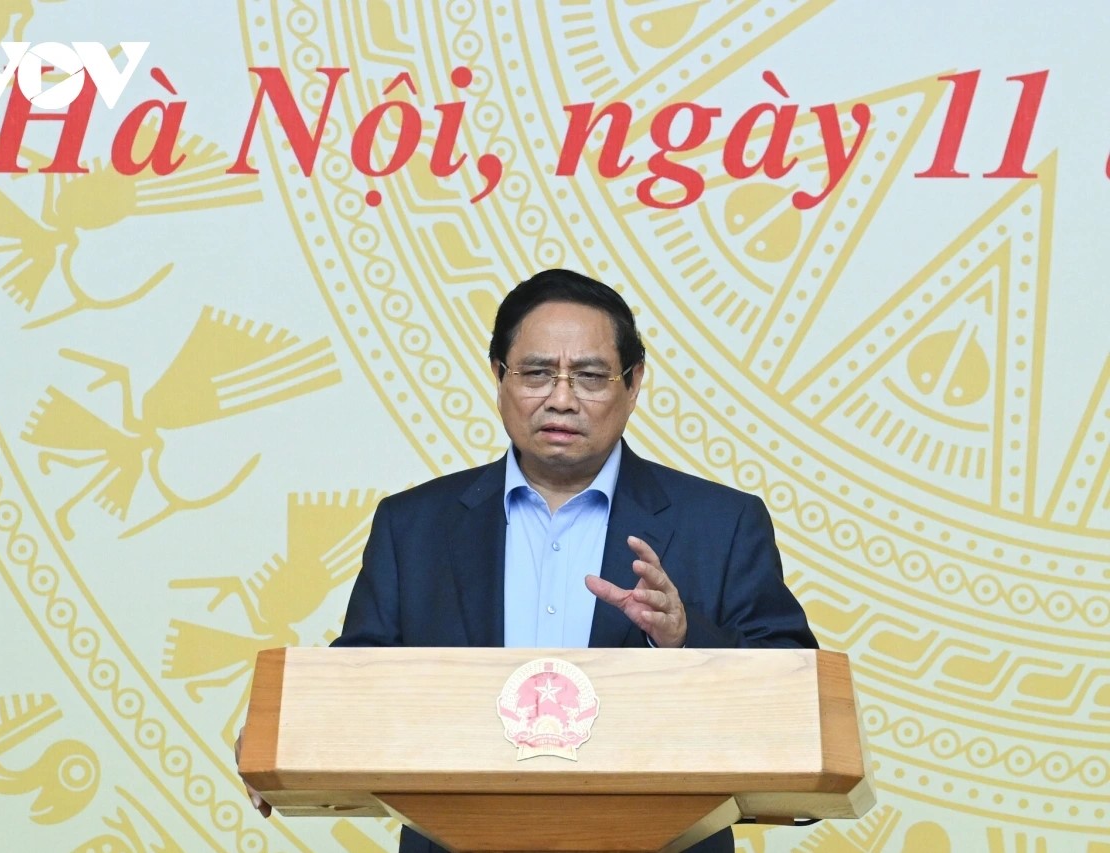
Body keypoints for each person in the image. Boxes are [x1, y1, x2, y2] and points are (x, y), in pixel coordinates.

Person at [240, 268, 817, 852]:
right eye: (537, 373)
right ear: (498, 377)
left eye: (590, 376)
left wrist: (686, 639)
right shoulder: (412, 526)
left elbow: (797, 705)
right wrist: (282, 736)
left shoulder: (721, 523)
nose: (561, 399)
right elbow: (358, 683)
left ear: (634, 382)